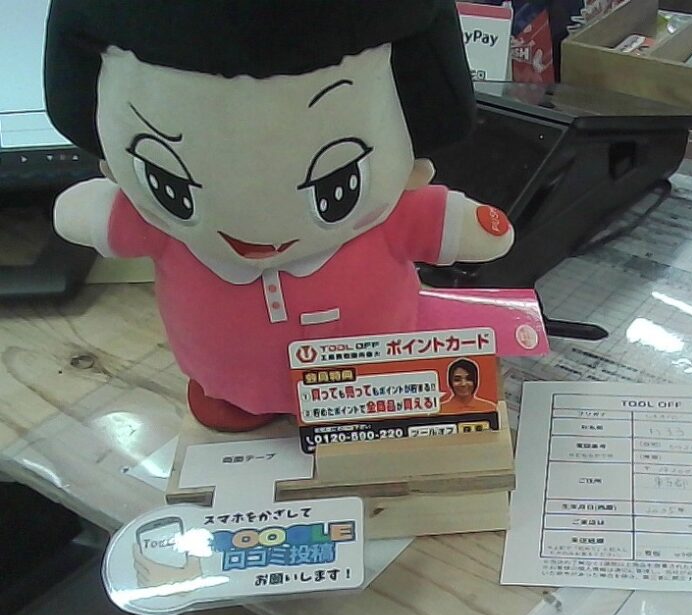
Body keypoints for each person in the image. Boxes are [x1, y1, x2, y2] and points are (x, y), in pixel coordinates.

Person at [45, 0, 514, 432]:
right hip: (228, 380)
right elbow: (98, 217)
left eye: (337, 188)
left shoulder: (382, 217)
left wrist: (467, 225)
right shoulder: (159, 227)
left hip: (364, 383)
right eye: (171, 187)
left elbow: (433, 221)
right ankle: (236, 395)